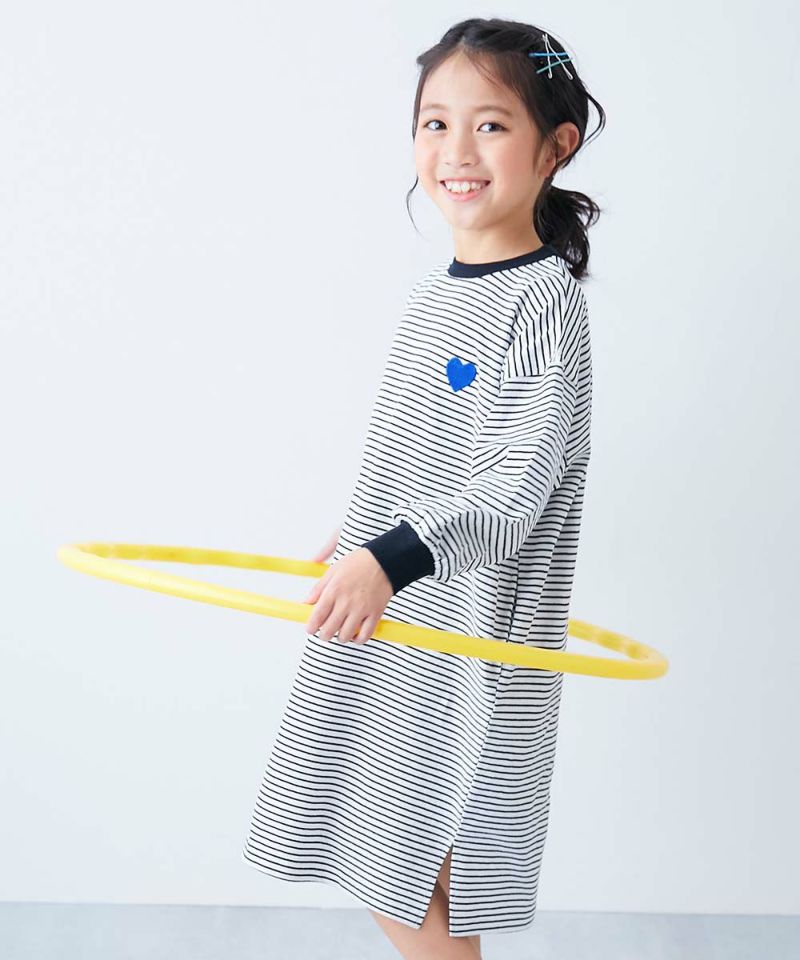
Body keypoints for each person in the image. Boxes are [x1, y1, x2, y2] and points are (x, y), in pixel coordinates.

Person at [242, 16, 605, 959]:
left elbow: (514, 487)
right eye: (435, 123)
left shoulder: (542, 302)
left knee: (411, 860)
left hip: (465, 633)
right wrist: (363, 530)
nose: (457, 151)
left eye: (491, 125)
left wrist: (393, 554)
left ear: (555, 147)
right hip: (404, 606)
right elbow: (432, 449)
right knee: (387, 851)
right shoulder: (442, 290)